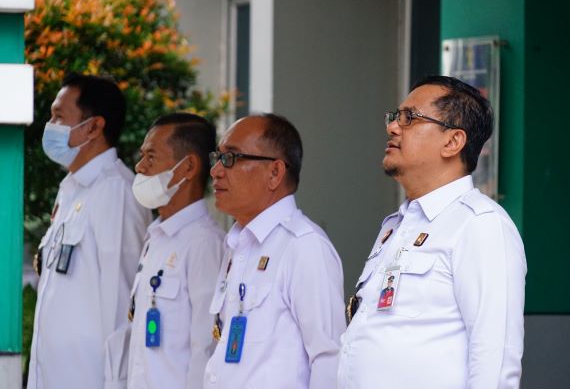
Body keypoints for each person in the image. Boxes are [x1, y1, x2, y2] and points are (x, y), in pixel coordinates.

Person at [338, 76, 527, 389]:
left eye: (410, 118)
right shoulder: (396, 226)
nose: (393, 127)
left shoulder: (480, 224)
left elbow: (494, 362)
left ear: (452, 142)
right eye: (395, 117)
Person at [203, 114, 346, 389]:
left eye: (231, 158)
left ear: (275, 173)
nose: (216, 171)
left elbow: (330, 359)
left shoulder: (303, 245)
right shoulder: (238, 244)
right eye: (217, 158)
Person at [28, 73, 151, 389]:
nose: (50, 125)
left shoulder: (118, 193)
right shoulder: (71, 190)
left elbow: (125, 306)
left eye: (59, 117)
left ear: (94, 127)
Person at [115, 113, 225, 389]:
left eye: (151, 157)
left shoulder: (205, 244)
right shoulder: (156, 237)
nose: (140, 167)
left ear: (187, 167)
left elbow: (206, 348)